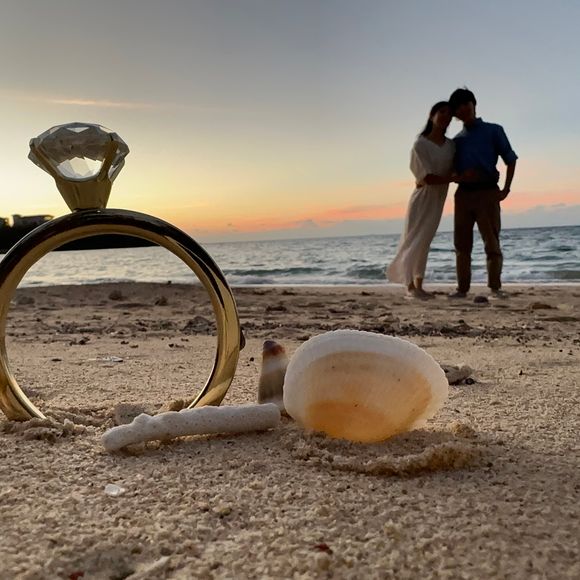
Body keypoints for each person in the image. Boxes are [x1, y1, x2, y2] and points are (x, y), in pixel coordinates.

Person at [447, 88, 518, 299]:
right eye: (458, 107)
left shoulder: (494, 130)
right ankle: (462, 289)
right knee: (461, 244)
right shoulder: (456, 141)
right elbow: (451, 171)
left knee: (492, 242)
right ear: (455, 114)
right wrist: (459, 176)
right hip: (463, 195)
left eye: (465, 103)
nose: (463, 109)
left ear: (473, 104)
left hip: (488, 192)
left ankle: (495, 287)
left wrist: (506, 189)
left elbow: (511, 159)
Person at [387, 101, 455, 298]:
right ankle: (409, 285)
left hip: (438, 199)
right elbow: (426, 178)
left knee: (425, 241)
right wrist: (456, 178)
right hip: (422, 198)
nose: (446, 116)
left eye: (449, 114)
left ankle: (419, 284)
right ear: (432, 115)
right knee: (412, 239)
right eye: (442, 112)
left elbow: (453, 168)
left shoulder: (451, 146)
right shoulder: (420, 144)